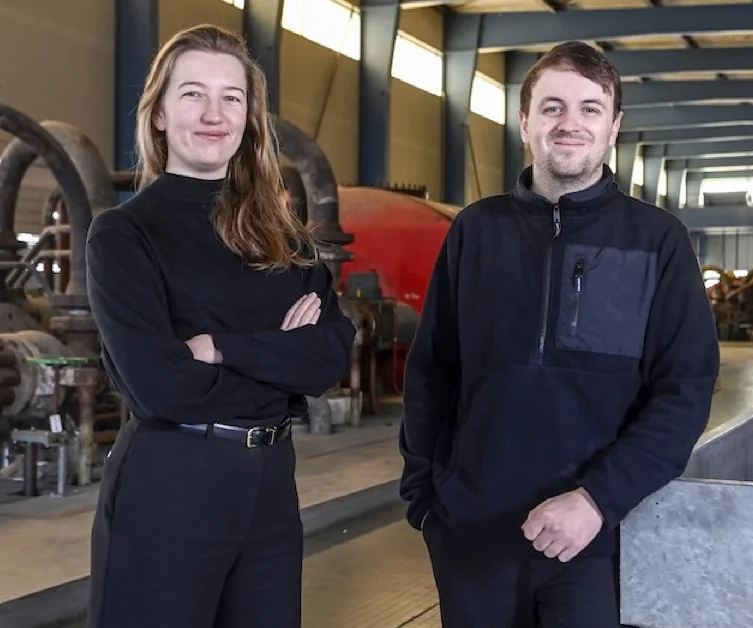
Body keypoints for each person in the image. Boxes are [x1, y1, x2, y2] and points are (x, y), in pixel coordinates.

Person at [398, 41, 720, 627]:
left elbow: (684, 390)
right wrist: (426, 501)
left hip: (593, 539)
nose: (569, 124)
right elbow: (432, 373)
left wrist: (599, 499)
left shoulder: (656, 241)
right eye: (552, 107)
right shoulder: (476, 231)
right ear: (525, 122)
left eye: (590, 109)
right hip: (473, 537)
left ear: (614, 126)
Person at [83, 24, 356, 628]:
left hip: (270, 488)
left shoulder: (283, 237)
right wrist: (281, 359)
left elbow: (331, 357)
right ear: (157, 114)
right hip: (173, 485)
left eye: (231, 97)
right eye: (192, 94)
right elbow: (163, 388)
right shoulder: (126, 235)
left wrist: (220, 348)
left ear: (250, 117)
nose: (214, 114)